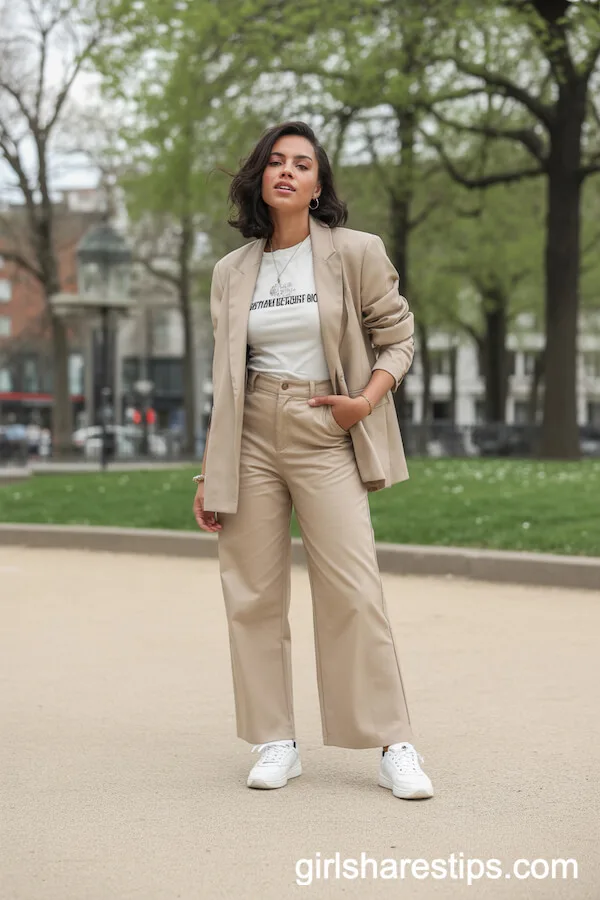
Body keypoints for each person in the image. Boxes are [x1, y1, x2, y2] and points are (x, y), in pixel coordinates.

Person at [193, 121, 433, 801]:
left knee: (355, 589)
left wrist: (364, 401)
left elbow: (399, 338)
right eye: (276, 162)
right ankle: (275, 740)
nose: (288, 172)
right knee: (253, 593)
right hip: (251, 436)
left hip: (326, 425)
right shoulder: (231, 271)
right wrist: (212, 469)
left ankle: (394, 743)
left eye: (302, 163)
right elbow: (227, 376)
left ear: (319, 183)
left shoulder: (355, 253)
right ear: (259, 180)